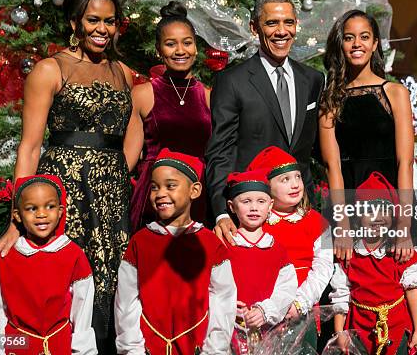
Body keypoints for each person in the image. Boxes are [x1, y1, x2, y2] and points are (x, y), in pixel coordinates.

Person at [0, 0, 135, 350]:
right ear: (74, 22)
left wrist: (120, 175)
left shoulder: (124, 73)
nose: (102, 29)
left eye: (110, 21)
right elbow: (30, 146)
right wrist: (15, 219)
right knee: (64, 278)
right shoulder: (49, 70)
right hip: (65, 191)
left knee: (111, 281)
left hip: (111, 195)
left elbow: (130, 135)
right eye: (93, 20)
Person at [206, 0, 325, 243]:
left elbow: (311, 150)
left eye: (288, 23)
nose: (282, 31)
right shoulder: (231, 81)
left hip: (301, 211)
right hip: (252, 216)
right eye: (272, 23)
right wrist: (220, 213)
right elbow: (220, 152)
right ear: (254, 28)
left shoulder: (313, 79)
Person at [115, 148, 236, 354]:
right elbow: (126, 302)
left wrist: (215, 349)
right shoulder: (140, 242)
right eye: (154, 187)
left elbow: (223, 299)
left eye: (170, 186)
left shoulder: (210, 244)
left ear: (194, 191)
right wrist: (132, 349)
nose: (160, 193)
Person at [319, 10, 417, 263]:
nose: (356, 44)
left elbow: (404, 163)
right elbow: (334, 168)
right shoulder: (331, 99)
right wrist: (342, 225)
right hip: (349, 209)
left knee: (396, 289)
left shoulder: (395, 93)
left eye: (364, 37)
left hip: (391, 208)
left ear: (375, 44)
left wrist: (404, 225)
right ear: (341, 44)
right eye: (349, 37)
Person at [0, 175, 96, 354]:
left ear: (61, 210)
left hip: (59, 347)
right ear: (17, 215)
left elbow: (82, 312)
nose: (42, 214)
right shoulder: (7, 257)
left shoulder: (73, 255)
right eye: (32, 208)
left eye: (50, 206)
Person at [124, 1, 211, 232]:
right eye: (171, 44)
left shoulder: (209, 96)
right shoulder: (143, 94)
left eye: (187, 43)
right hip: (155, 194)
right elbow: (129, 157)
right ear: (159, 50)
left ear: (196, 48)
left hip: (197, 191)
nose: (180, 51)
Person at [329, 172, 417, 355]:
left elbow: (413, 292)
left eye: (385, 211)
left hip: (397, 331)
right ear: (358, 217)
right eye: (370, 211)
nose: (378, 217)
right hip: (359, 332)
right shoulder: (349, 255)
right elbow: (341, 297)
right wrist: (339, 332)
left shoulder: (400, 253)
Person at [247, 146, 333, 348]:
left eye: (297, 177)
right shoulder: (255, 222)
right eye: (285, 180)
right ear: (266, 186)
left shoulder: (322, 223)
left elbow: (325, 267)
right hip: (263, 313)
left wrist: (299, 303)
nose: (295, 184)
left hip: (303, 312)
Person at [223, 169, 297, 354]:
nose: (254, 208)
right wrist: (227, 306)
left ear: (270, 205)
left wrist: (265, 311)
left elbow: (287, 287)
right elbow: (210, 285)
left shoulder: (277, 249)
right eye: (246, 201)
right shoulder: (223, 246)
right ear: (232, 206)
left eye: (261, 201)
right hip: (227, 331)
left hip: (268, 333)